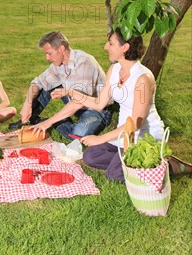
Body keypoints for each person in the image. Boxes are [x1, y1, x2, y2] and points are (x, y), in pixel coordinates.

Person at [46, 28, 192, 181]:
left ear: (125, 47)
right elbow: (98, 103)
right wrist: (69, 92)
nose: (105, 47)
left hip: (143, 136)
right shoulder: (114, 70)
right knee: (90, 156)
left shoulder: (143, 79)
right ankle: (134, 164)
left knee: (114, 174)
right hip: (122, 136)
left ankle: (168, 165)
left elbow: (135, 123)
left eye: (110, 43)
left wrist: (100, 138)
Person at [8, 31, 112, 138]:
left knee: (77, 134)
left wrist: (49, 122)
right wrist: (27, 104)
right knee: (44, 86)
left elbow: (78, 102)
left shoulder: (84, 63)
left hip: (95, 109)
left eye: (49, 53)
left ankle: (54, 121)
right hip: (73, 100)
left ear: (61, 49)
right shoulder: (58, 64)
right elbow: (37, 83)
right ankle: (29, 119)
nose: (47, 58)